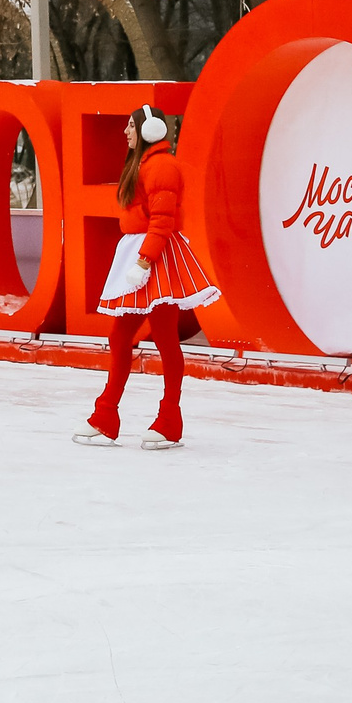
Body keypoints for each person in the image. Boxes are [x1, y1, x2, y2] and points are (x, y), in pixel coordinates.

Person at [78, 105, 220, 449]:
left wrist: (144, 261)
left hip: (154, 257)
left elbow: (162, 219)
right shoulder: (144, 165)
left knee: (163, 336)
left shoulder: (161, 166)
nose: (125, 132)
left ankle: (161, 416)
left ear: (148, 130)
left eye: (130, 126)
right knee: (123, 334)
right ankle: (107, 414)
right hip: (142, 252)